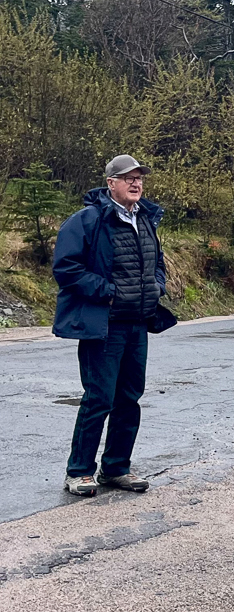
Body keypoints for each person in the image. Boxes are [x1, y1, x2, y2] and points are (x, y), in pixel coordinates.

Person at [54, 154, 166, 497]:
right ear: (111, 183)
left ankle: (116, 468)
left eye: (139, 178)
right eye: (128, 177)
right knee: (98, 398)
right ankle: (79, 471)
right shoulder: (87, 220)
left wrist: (158, 285)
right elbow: (67, 268)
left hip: (137, 323)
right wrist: (109, 293)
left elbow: (157, 263)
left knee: (129, 398)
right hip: (104, 326)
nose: (136, 183)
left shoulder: (145, 219)